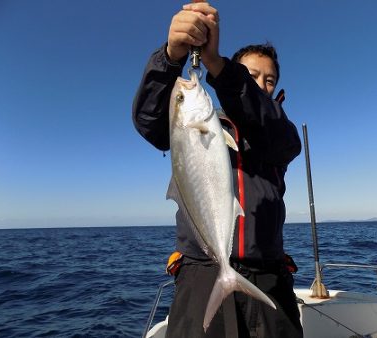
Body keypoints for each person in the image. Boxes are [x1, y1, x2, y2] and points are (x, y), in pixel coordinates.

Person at [132, 2, 303, 337]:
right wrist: (171, 57)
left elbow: (277, 133)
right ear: (233, 76)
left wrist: (220, 66)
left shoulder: (279, 132)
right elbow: (149, 120)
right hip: (201, 273)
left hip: (269, 276)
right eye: (251, 75)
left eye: (269, 80)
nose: (261, 84)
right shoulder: (204, 122)